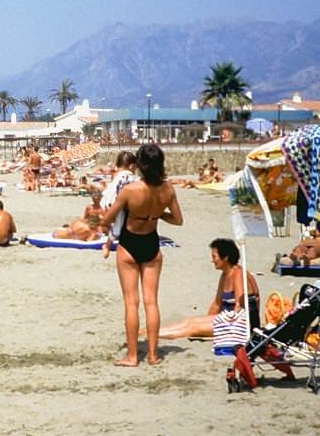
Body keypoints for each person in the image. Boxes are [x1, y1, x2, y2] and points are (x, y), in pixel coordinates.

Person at [99, 144, 183, 367]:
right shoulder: (168, 189)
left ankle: (133, 356)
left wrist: (105, 221)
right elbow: (178, 220)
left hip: (129, 244)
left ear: (140, 165)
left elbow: (107, 220)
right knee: (151, 302)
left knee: (131, 303)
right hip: (152, 243)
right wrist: (159, 214)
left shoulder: (131, 190)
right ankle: (154, 355)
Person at [159, 238, 260, 340]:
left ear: (225, 257)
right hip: (226, 316)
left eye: (214, 256)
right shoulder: (225, 274)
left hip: (240, 323)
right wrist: (207, 320)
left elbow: (239, 305)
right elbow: (217, 303)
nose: (212, 260)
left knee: (193, 328)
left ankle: (155, 336)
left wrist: (211, 324)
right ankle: (152, 332)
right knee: (190, 322)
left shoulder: (238, 274)